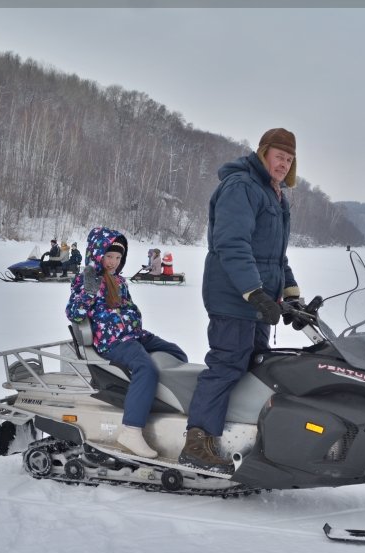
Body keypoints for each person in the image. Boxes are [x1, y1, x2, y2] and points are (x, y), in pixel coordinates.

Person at [178, 127, 303, 474]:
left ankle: (239, 434)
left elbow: (275, 256)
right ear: (263, 153)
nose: (284, 163)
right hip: (232, 296)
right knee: (229, 364)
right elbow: (232, 244)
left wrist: (291, 293)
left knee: (255, 368)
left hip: (258, 299)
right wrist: (253, 292)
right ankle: (197, 441)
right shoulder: (242, 187)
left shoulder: (275, 195)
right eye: (279, 156)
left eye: (289, 159)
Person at [66, 226, 188, 459]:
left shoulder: (119, 281)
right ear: (97, 253)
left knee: (176, 354)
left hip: (132, 335)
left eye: (118, 257)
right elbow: (74, 313)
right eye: (109, 256)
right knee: (145, 367)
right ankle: (131, 430)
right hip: (111, 340)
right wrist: (89, 293)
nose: (113, 261)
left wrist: (134, 323)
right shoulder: (86, 280)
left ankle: (158, 399)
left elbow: (128, 308)